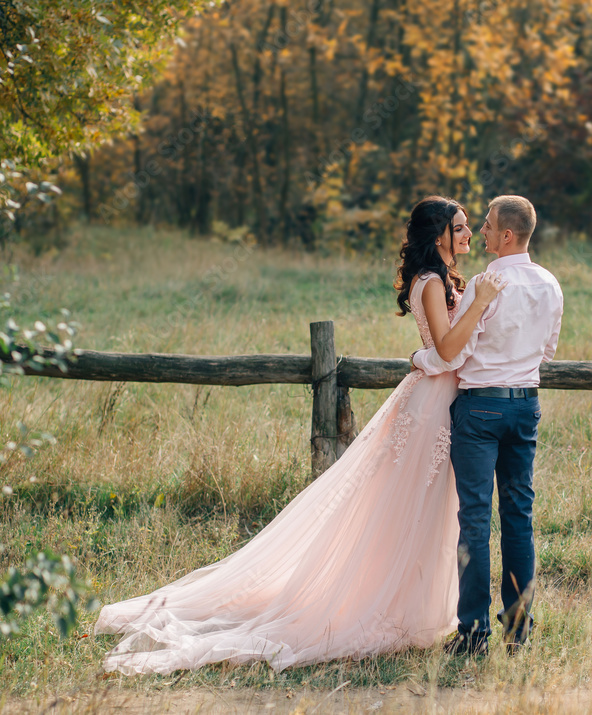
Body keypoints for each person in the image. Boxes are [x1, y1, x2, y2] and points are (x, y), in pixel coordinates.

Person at [93, 196, 506, 674]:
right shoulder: (432, 283)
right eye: (460, 227)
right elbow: (450, 349)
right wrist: (479, 304)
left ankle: (414, 604)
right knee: (408, 508)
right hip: (432, 408)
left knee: (426, 510)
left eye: (469, 227)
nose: (469, 234)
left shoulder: (442, 280)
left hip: (440, 399)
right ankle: (376, 604)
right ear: (439, 235)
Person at [411, 195, 563, 656]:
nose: (480, 230)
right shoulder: (550, 284)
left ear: (508, 236)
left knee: (474, 520)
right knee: (520, 518)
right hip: (526, 407)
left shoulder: (485, 282)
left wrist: (420, 358)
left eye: (488, 224)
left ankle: (474, 633)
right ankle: (519, 631)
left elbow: (452, 353)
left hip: (480, 410)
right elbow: (548, 351)